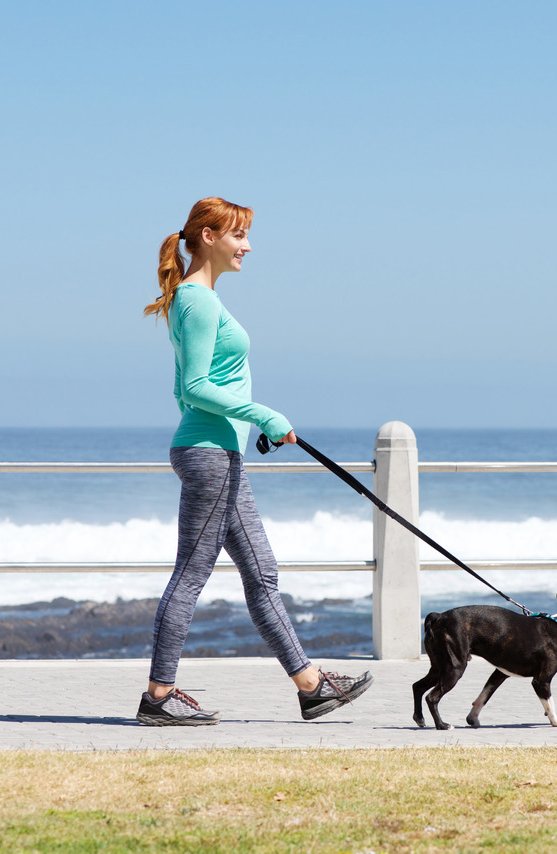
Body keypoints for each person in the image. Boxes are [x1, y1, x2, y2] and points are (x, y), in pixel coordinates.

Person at [136, 197, 374, 726]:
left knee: (262, 574)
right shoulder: (198, 302)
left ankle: (311, 686)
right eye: (238, 235)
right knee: (191, 576)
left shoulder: (199, 300)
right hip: (209, 454)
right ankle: (158, 696)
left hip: (220, 452)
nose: (248, 245)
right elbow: (196, 388)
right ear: (207, 237)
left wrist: (247, 426)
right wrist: (264, 415)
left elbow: (183, 386)